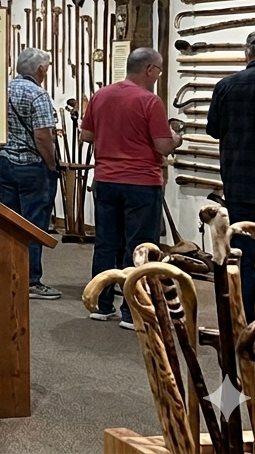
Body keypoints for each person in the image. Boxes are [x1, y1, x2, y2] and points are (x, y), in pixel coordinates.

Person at [81, 47, 180, 327]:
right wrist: (176, 140)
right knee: (139, 247)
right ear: (149, 69)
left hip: (106, 179)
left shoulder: (101, 95)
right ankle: (131, 310)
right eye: (158, 71)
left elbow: (87, 134)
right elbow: (162, 145)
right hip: (141, 182)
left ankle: (100, 304)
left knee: (106, 242)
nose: (158, 76)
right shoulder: (150, 101)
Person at [207, 29, 255, 319]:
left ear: (247, 54)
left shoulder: (226, 86)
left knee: (241, 262)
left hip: (241, 186)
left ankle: (246, 326)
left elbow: (214, 129)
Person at [0, 48, 61, 300]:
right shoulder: (38, 95)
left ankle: (7, 272)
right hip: (32, 166)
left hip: (5, 161)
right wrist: (52, 164)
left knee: (9, 222)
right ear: (40, 70)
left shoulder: (4, 90)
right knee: (34, 224)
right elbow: (43, 136)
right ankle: (31, 279)